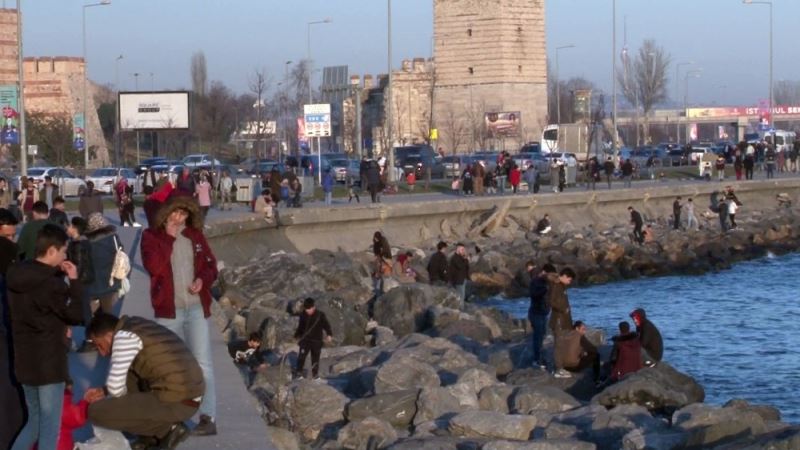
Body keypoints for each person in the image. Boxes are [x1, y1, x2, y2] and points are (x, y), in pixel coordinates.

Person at [140, 195, 219, 436]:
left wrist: (201, 280)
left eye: (184, 214)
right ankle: (172, 419)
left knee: (203, 364)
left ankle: (208, 416)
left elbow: (211, 266)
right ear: (166, 212)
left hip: (195, 308)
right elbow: (153, 266)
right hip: (168, 311)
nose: (179, 218)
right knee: (169, 368)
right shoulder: (151, 236)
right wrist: (169, 238)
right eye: (175, 213)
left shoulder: (194, 235)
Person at [7, 224, 83, 450]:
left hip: (24, 359)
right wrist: (75, 281)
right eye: (63, 251)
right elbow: (77, 314)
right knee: (50, 427)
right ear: (52, 251)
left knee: (34, 424)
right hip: (49, 362)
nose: (65, 255)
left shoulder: (17, 276)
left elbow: (42, 310)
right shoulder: (52, 284)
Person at [83, 313, 204, 450]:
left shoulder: (124, 338)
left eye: (100, 345)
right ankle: (149, 438)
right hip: (189, 394)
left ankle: (166, 429)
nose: (102, 353)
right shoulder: (135, 325)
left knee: (96, 411)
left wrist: (115, 404)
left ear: (109, 336)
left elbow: (115, 388)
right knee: (129, 373)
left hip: (178, 401)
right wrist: (104, 391)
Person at [81, 213, 123, 342]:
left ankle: (91, 338)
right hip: (109, 280)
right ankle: (111, 337)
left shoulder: (86, 242)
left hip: (93, 283)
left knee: (89, 309)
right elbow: (121, 253)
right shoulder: (113, 238)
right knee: (107, 311)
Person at [293, 298, 333, 380]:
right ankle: (298, 373)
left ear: (313, 307)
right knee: (301, 356)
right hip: (305, 340)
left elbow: (326, 325)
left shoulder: (320, 315)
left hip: (316, 341)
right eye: (306, 309)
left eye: (309, 309)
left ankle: (315, 375)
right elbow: (300, 327)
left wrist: (329, 334)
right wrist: (296, 335)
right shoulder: (303, 314)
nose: (307, 311)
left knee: (315, 358)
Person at [528, 263, 556, 370]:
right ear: (544, 272)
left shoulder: (547, 282)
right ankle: (536, 360)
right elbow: (534, 294)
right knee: (538, 337)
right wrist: (546, 289)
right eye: (550, 274)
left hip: (544, 313)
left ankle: (540, 358)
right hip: (536, 313)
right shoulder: (536, 281)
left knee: (542, 335)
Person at [547, 267, 575, 339]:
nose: (570, 282)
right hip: (559, 321)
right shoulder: (556, 285)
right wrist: (564, 309)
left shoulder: (561, 285)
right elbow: (551, 301)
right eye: (569, 280)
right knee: (560, 343)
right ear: (565, 276)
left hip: (562, 320)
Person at [449, 243, 470, 307]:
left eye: (464, 250)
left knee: (462, 296)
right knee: (461, 296)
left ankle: (461, 308)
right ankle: (461, 310)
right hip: (458, 280)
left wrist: (465, 259)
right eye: (462, 249)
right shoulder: (455, 258)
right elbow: (460, 266)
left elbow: (466, 268)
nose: (463, 251)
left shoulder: (461, 258)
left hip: (462, 279)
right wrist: (466, 260)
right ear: (458, 249)